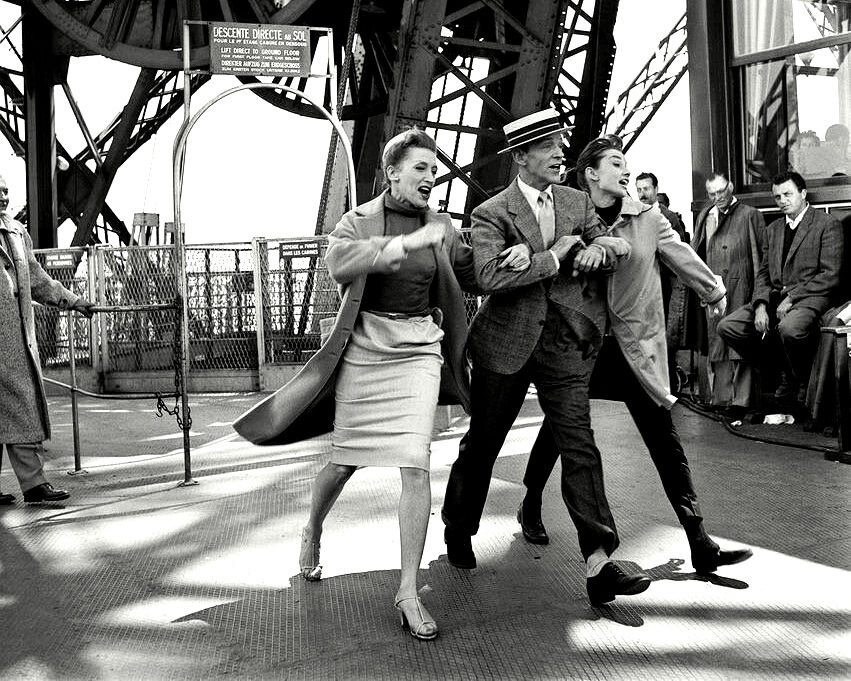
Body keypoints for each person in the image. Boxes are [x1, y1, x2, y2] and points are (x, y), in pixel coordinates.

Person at [234, 127, 479, 641]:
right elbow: (339, 264)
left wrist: (508, 258)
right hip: (366, 347)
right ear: (392, 172)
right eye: (420, 169)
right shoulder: (358, 220)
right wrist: (407, 242)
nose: (430, 178)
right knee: (344, 463)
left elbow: (467, 270)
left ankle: (408, 591)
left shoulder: (442, 224)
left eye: (434, 171)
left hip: (418, 348)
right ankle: (313, 528)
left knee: (416, 461)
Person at [441, 109, 652, 607]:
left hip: (565, 345)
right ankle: (458, 527)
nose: (561, 152)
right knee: (484, 444)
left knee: (580, 447)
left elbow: (601, 238)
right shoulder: (491, 212)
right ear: (522, 157)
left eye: (560, 142)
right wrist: (553, 257)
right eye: (549, 146)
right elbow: (490, 277)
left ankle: (599, 560)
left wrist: (606, 246)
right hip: (505, 345)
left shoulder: (577, 201)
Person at [520, 135, 753, 576]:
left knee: (664, 439)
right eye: (614, 163)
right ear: (590, 173)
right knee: (557, 430)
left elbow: (679, 254)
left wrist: (713, 288)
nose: (625, 170)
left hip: (632, 349)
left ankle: (699, 539)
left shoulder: (647, 218)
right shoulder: (567, 213)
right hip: (581, 345)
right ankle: (531, 503)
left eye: (626, 163)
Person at [0, 174, 95, 505]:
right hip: (8, 341)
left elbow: (38, 280)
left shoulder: (16, 232)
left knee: (24, 409)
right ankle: (33, 485)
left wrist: (73, 300)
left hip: (14, 342)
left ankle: (34, 484)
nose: (3, 197)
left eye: (6, 190)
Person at [718, 171, 845, 407]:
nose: (782, 201)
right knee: (728, 327)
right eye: (777, 197)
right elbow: (764, 273)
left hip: (811, 297)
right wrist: (760, 306)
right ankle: (783, 371)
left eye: (788, 194)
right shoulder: (773, 229)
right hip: (775, 298)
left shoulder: (827, 224)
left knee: (790, 328)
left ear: (803, 194)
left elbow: (830, 275)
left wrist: (793, 297)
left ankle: (802, 379)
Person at [690, 172, 765, 418]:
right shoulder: (706, 215)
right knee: (716, 343)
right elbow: (696, 252)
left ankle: (741, 401)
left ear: (731, 187)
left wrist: (758, 296)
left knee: (738, 341)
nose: (717, 197)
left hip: (740, 286)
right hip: (713, 289)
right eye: (711, 193)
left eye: (721, 192)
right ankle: (721, 397)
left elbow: (759, 258)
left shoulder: (749, 215)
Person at [635, 172, 689, 391]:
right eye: (639, 189)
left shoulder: (668, 217)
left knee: (665, 335)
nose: (642, 194)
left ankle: (667, 383)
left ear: (656, 189)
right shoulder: (636, 215)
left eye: (646, 189)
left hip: (665, 282)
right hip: (645, 284)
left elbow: (679, 251)